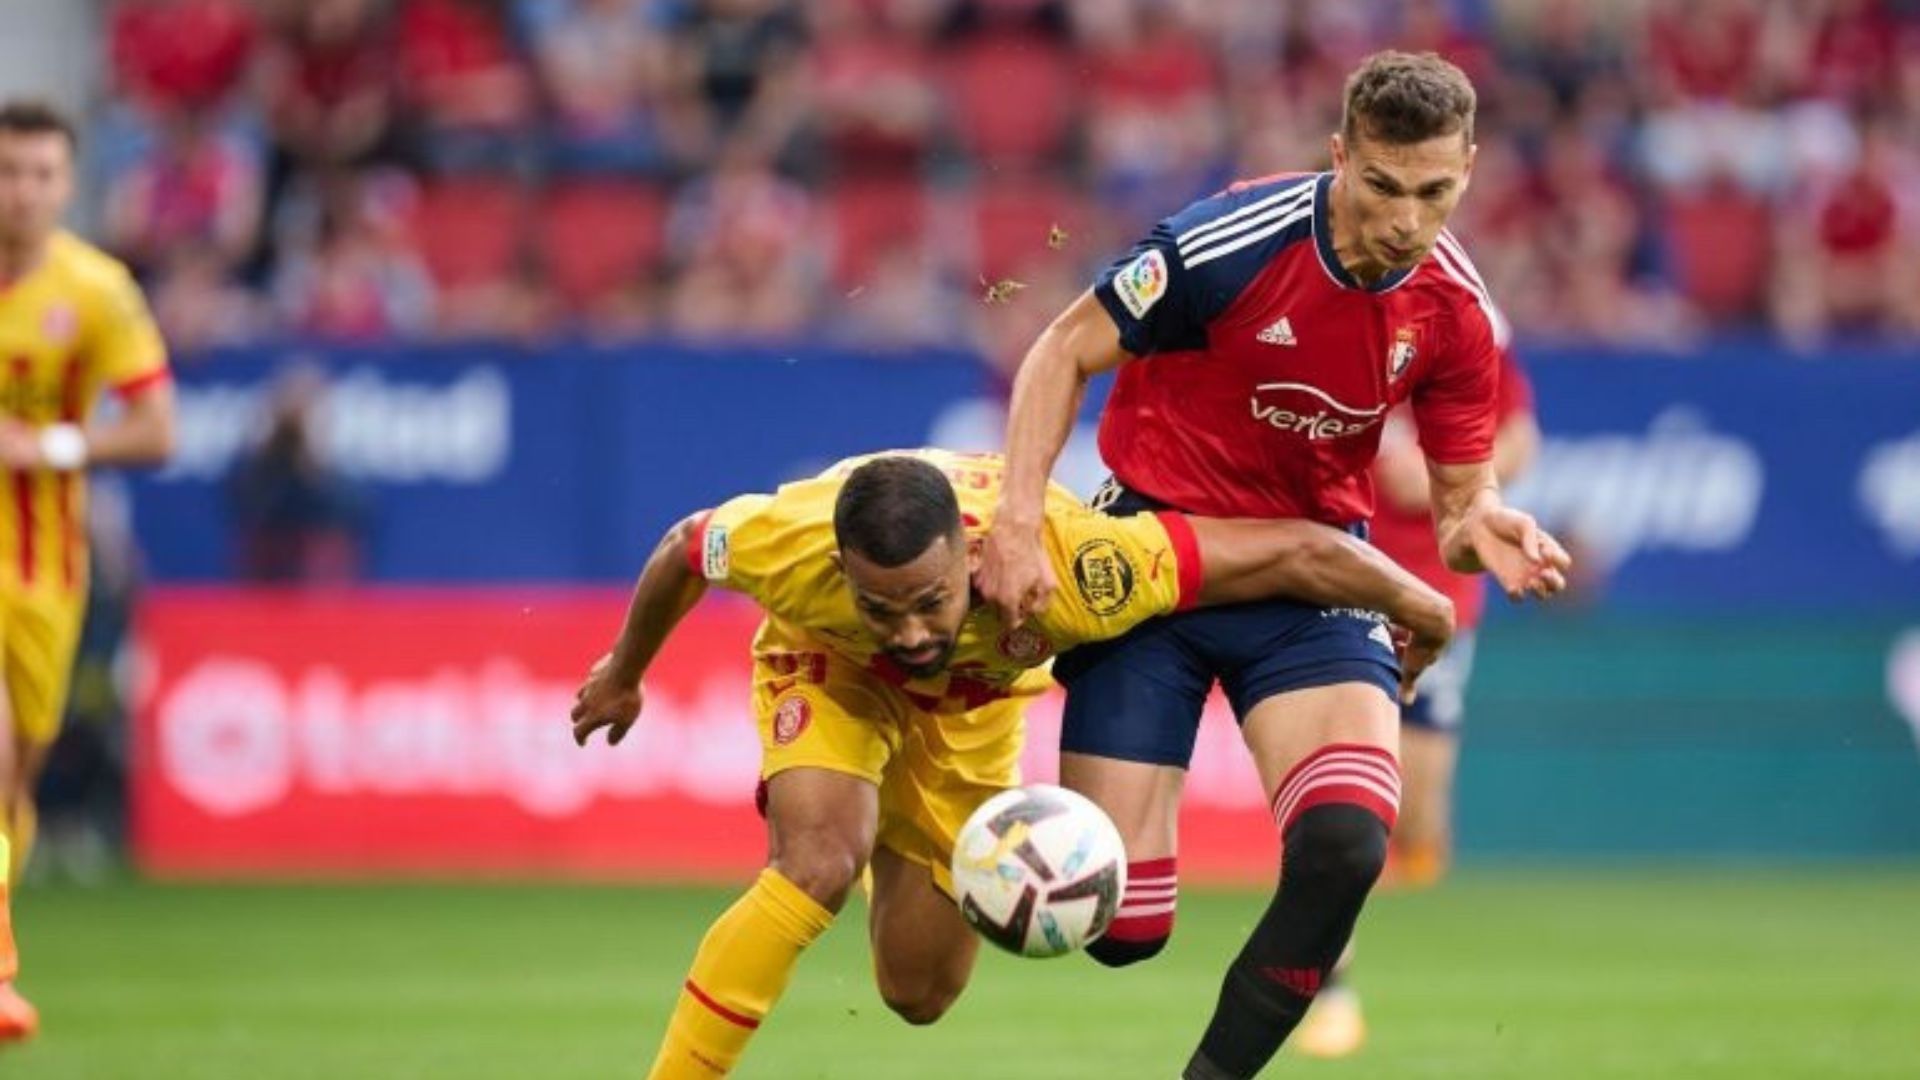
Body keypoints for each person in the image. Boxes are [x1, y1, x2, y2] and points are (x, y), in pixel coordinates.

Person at [975, 52, 1571, 1079]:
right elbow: (1060, 350)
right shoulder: (1229, 241)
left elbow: (1462, 501)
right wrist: (1022, 524)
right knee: (1121, 928)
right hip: (1151, 560)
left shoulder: (1457, 308)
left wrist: (1492, 524)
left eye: (1435, 191)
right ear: (1341, 157)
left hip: (1312, 578)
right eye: (1382, 185)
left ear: (1468, 169)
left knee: (1347, 846)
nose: (1405, 219)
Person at [569, 449, 1456, 1079]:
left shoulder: (1079, 565)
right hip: (832, 673)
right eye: (882, 607)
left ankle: (898, 833)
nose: (912, 632)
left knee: (918, 994)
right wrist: (625, 670)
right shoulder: (789, 544)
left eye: (929, 602)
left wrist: (1421, 603)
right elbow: (686, 546)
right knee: (815, 863)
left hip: (972, 718)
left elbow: (1291, 549)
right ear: (841, 568)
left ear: (974, 552)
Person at [1293, 341, 1539, 1059]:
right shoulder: (1327, 323)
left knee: (1416, 821)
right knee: (1345, 807)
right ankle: (1334, 991)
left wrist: (1444, 475)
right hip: (1341, 583)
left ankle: (1418, 845)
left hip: (1438, 600)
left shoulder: (1468, 333)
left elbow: (1520, 438)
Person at [0, 100, 176, 1042]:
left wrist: (55, 445)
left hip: (40, 573)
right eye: (5, 172)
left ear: (66, 185)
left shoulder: (96, 290)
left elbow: (157, 429)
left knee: (12, 786)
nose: (19, 193)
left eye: (37, 174)